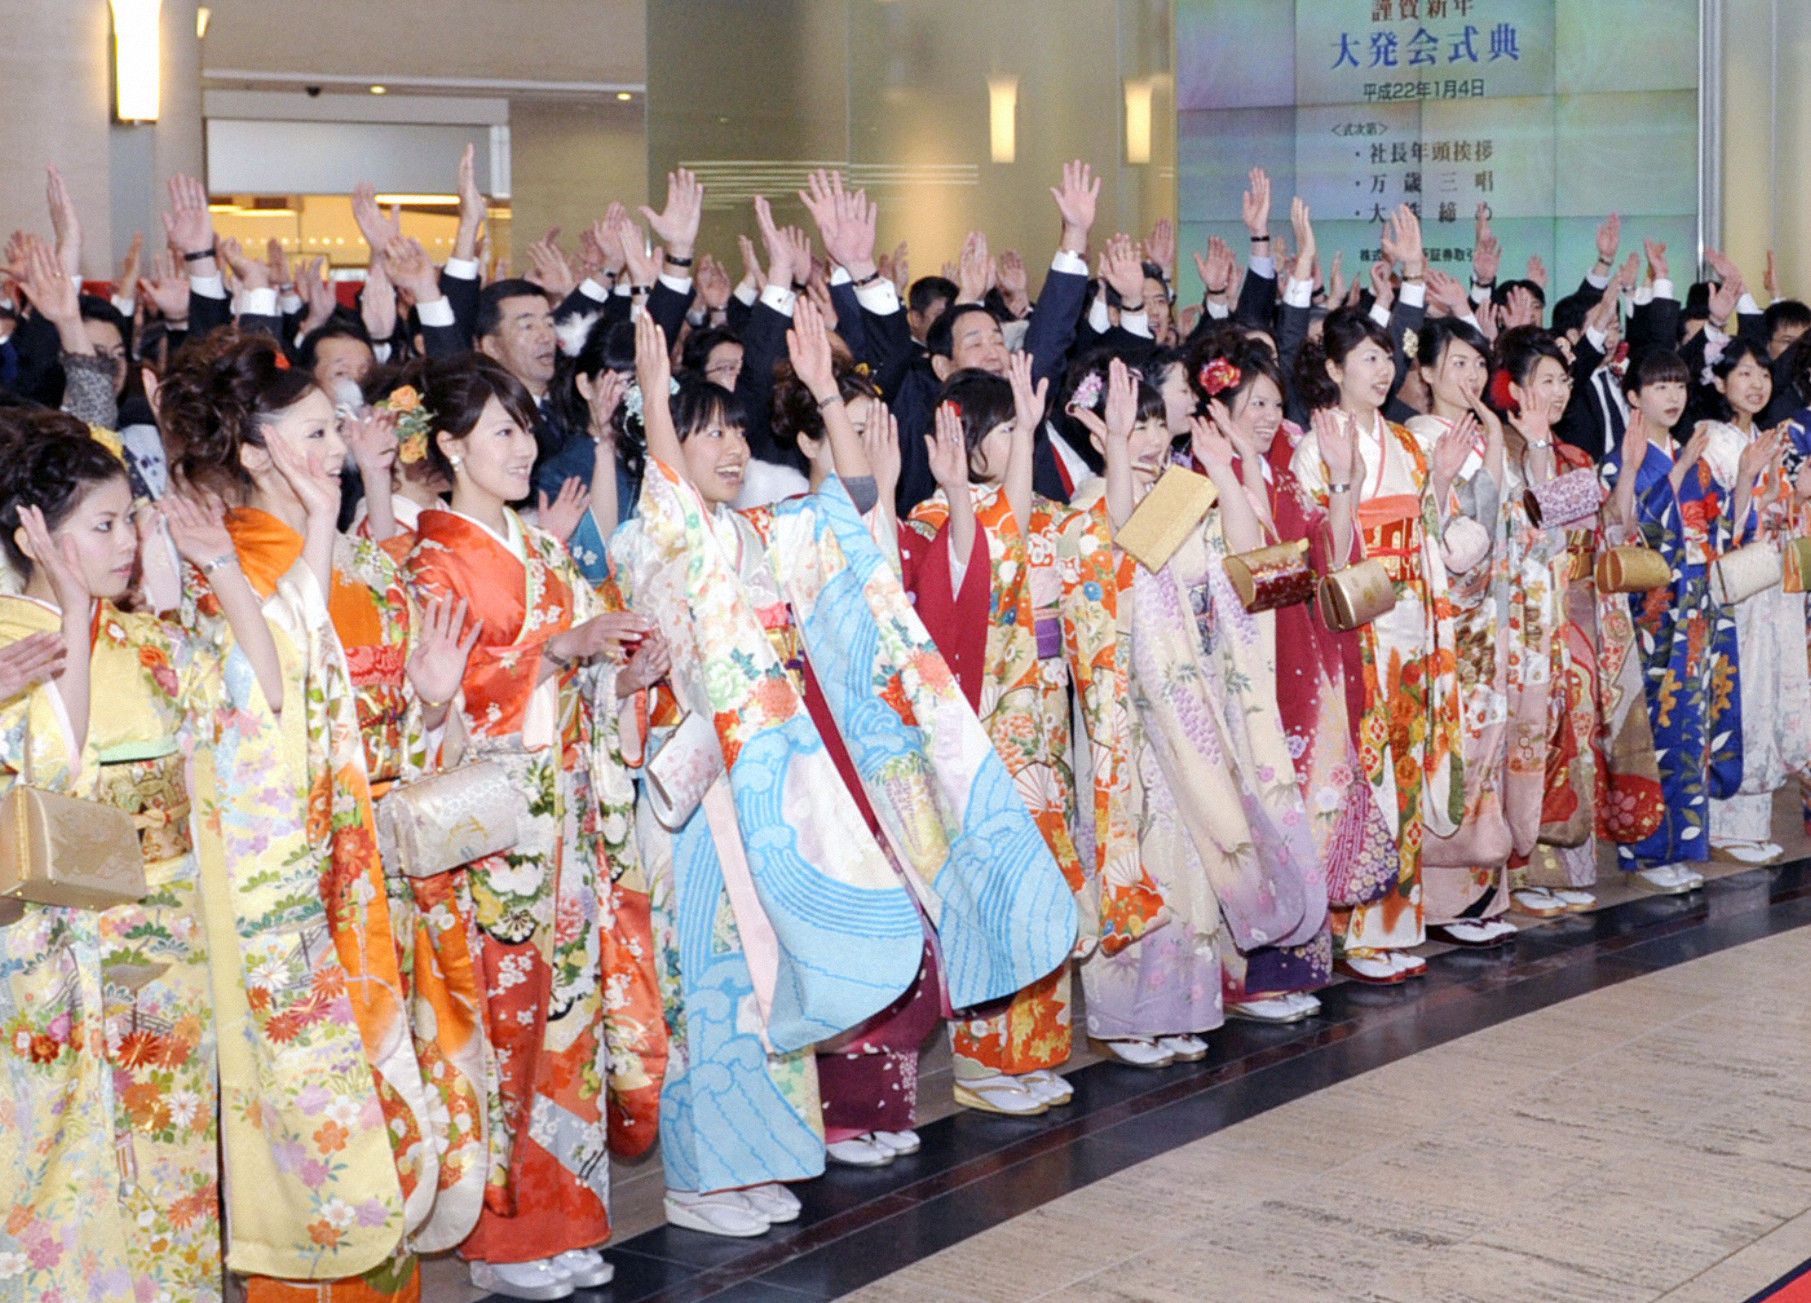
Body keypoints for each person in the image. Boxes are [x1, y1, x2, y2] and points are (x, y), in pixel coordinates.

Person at [612, 308, 1073, 1224]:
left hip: (769, 785)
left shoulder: (759, 530)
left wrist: (826, 392)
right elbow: (674, 531)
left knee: (771, 973)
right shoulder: (649, 538)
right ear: (668, 450)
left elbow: (848, 515)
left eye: (736, 430)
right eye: (709, 436)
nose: (732, 449)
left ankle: (759, 1156)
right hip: (700, 798)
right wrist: (659, 404)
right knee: (713, 981)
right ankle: (703, 1176)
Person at [400, 354, 666, 1299]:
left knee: (571, 1026)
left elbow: (576, 669)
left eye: (524, 426)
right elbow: (432, 696)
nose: (521, 448)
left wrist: (623, 668)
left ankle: (567, 1217)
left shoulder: (543, 549)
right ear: (449, 446)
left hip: (565, 826)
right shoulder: (430, 559)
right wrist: (557, 649)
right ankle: (504, 1241)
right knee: (507, 1030)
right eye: (500, 431)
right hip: (496, 835)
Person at [0, 414, 282, 1303]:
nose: (128, 542)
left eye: (132, 520)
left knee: (170, 1146)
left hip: (164, 938)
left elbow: (254, 705)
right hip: (56, 944)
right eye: (104, 525)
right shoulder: (17, 634)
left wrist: (223, 570)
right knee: (64, 1155)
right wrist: (73, 607)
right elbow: (59, 770)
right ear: (33, 534)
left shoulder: (141, 634)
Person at [1291, 308, 1464, 984]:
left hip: (1409, 626)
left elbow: (1427, 532)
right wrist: (1343, 482)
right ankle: (1357, 929)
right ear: (1333, 369)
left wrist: (1441, 481)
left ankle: (1394, 922)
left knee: (1407, 773)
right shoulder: (1317, 446)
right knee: (1366, 774)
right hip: (1356, 630)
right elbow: (1321, 553)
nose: (1383, 368)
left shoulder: (1407, 443)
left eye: (1386, 355)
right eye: (1366, 357)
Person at [1600, 349, 1743, 893]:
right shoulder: (1621, 461)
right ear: (1634, 398)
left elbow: (1720, 528)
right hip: (1652, 619)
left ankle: (1683, 845)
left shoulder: (1694, 456)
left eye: (1678, 386)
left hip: (1696, 613)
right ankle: (1645, 849)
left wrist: (1747, 478)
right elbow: (1624, 536)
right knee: (1653, 730)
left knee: (1691, 731)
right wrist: (1669, 472)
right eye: (1659, 387)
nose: (1673, 396)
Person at [1404, 317, 1519, 949]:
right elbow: (1444, 533)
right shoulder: (1418, 438)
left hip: (1488, 615)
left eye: (1479, 364)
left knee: (1487, 751)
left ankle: (1482, 892)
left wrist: (1496, 440)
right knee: (1453, 752)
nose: (1471, 376)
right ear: (1425, 371)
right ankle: (1444, 900)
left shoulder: (1476, 434)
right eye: (1457, 364)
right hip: (1449, 617)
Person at [1700, 339, 1800, 864]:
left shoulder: (1764, 436)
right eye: (1742, 374)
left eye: (1762, 373)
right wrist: (1749, 484)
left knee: (1765, 690)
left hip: (1768, 586)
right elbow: (1708, 520)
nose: (1756, 383)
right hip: (1735, 589)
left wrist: (1789, 501)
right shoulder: (1709, 439)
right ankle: (1726, 822)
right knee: (1738, 692)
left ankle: (1752, 821)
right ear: (1719, 383)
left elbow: (1774, 508)